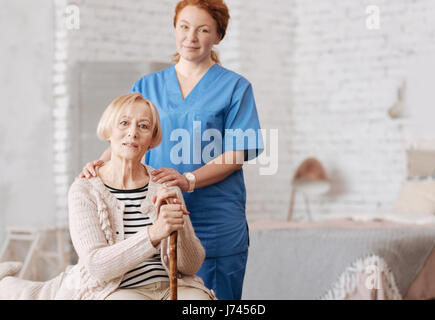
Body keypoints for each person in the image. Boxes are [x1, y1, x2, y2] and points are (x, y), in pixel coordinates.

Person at [80, 0, 264, 300]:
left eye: (203, 30)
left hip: (215, 221)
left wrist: (187, 179)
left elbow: (237, 152)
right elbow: (126, 137)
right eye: (184, 27)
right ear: (175, 30)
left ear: (218, 36)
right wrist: (98, 165)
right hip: (155, 216)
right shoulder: (147, 85)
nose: (191, 37)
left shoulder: (235, 87)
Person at [0, 93, 215, 300]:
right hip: (116, 289)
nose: (133, 133)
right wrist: (154, 233)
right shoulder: (85, 190)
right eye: (124, 123)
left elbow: (191, 266)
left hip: (174, 286)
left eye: (143, 126)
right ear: (108, 130)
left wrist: (178, 227)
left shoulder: (165, 186)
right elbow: (97, 266)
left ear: (152, 139)